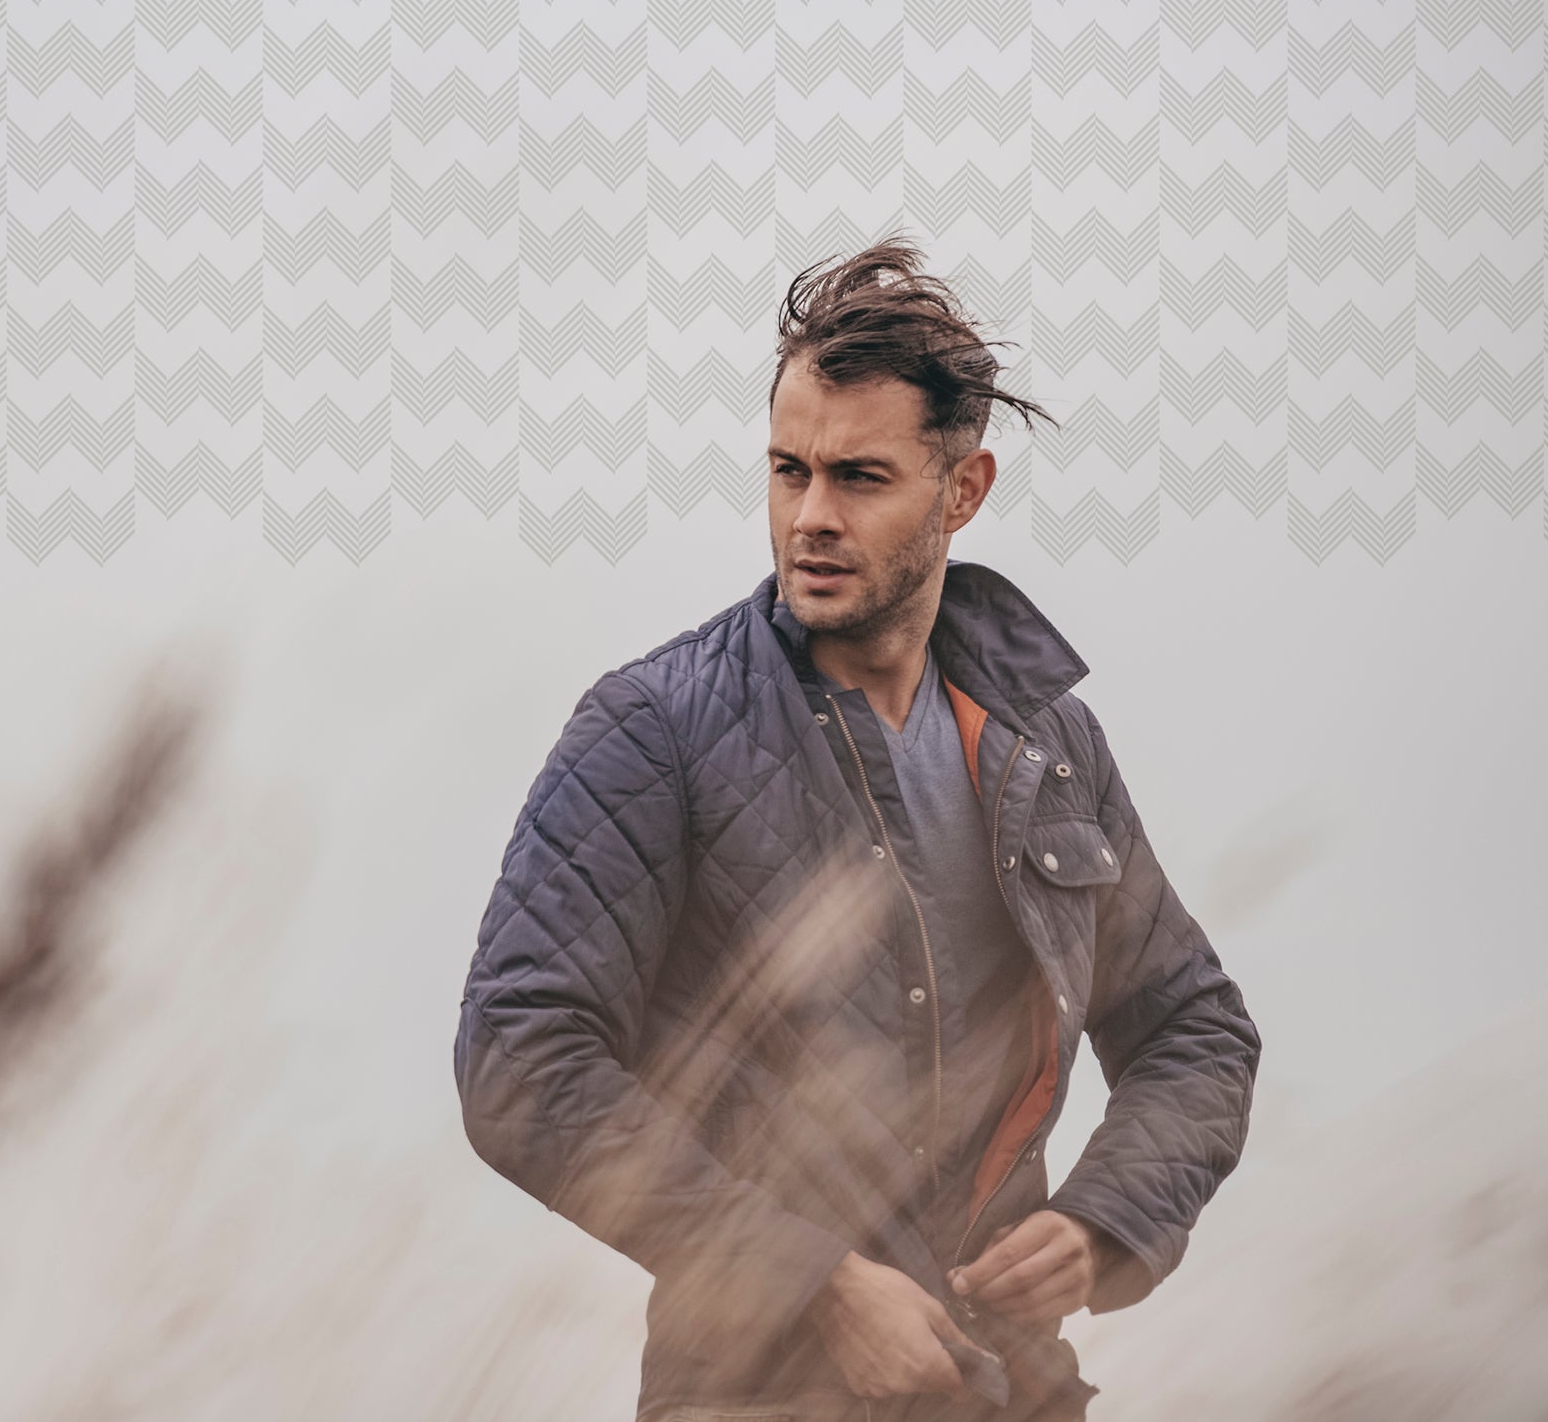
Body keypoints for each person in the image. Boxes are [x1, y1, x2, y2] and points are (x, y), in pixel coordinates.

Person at [453, 240, 1261, 1422]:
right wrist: (814, 1282)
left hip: (1009, 1396)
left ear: (963, 490)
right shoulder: (654, 730)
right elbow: (517, 1061)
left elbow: (1194, 1027)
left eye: (861, 478)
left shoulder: (1047, 744)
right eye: (789, 471)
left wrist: (1102, 1224)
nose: (810, 518)